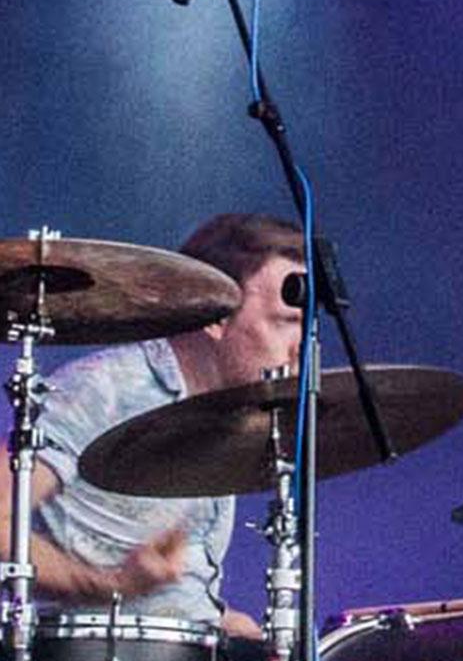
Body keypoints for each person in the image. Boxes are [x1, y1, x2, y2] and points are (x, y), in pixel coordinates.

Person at [1, 213, 305, 638]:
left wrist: (216, 621)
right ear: (216, 317)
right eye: (285, 322)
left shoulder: (227, 414)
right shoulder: (105, 389)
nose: (299, 349)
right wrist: (106, 587)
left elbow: (174, 593)